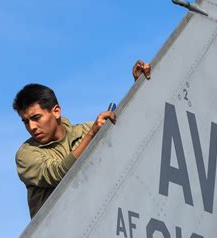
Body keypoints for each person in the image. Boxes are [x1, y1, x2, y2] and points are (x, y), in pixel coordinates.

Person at [13, 60, 151, 218]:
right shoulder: (26, 155)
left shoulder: (85, 131)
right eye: (26, 121)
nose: (32, 127)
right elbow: (57, 174)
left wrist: (138, 85)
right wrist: (92, 135)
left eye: (36, 118)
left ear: (56, 111)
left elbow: (130, 134)